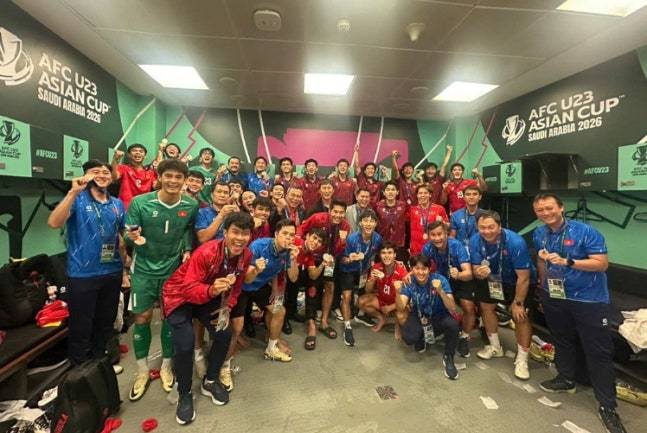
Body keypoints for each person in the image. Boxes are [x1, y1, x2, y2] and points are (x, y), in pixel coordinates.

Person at [532, 193, 627, 433]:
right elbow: (542, 262)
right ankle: (566, 379)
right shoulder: (539, 233)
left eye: (549, 208)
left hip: (589, 300)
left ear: (561, 208)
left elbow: (601, 263)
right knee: (562, 340)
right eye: (540, 210)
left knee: (598, 351)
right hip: (555, 296)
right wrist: (543, 289)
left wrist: (569, 262)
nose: (545, 213)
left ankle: (607, 406)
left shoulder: (586, 232)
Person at [161, 212, 255, 425]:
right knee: (185, 344)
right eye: (235, 232)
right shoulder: (206, 252)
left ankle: (210, 380)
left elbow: (237, 285)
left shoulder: (246, 255)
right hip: (179, 296)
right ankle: (185, 393)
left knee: (224, 333)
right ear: (225, 232)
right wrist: (212, 290)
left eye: (245, 234)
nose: (240, 238)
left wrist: (227, 307)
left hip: (208, 297)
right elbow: (189, 288)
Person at [124, 159, 199, 401]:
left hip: (171, 270)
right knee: (142, 317)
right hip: (143, 269)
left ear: (184, 181)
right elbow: (127, 232)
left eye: (178, 177)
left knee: (169, 317)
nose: (173, 181)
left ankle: (166, 366)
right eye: (169, 176)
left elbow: (187, 229)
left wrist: (187, 249)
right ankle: (142, 370)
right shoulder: (140, 202)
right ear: (159, 177)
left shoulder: (190, 204)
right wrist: (131, 235)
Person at [47, 160, 126, 367]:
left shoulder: (117, 204)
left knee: (105, 324)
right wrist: (73, 192)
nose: (102, 175)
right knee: (81, 325)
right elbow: (54, 222)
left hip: (112, 271)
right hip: (83, 274)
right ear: (86, 176)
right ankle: (80, 371)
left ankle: (99, 368)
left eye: (106, 172)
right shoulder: (77, 199)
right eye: (95, 171)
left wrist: (125, 270)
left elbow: (120, 236)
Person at [222, 220, 300, 389]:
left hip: (260, 286)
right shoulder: (258, 246)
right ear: (276, 234)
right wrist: (256, 269)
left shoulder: (288, 251)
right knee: (237, 326)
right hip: (242, 286)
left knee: (279, 310)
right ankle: (224, 366)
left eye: (292, 235)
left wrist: (276, 287)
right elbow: (246, 277)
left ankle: (271, 348)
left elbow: (292, 277)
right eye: (285, 233)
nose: (288, 238)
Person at [468, 210, 533, 380]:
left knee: (520, 316)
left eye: (491, 227)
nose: (486, 231)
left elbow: (524, 277)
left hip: (516, 281)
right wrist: (479, 272)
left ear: (499, 226)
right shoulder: (475, 240)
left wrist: (518, 302)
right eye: (482, 227)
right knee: (486, 307)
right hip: (493, 279)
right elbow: (475, 268)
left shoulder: (515, 242)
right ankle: (495, 347)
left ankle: (522, 359)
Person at [396, 255, 460, 380]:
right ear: (412, 269)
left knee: (453, 325)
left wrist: (441, 291)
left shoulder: (440, 280)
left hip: (439, 315)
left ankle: (449, 356)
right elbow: (401, 306)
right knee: (409, 338)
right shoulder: (409, 282)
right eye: (417, 268)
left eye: (424, 269)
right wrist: (398, 292)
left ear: (429, 269)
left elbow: (452, 308)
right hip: (419, 314)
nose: (421, 272)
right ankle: (421, 338)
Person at [297, 201, 350, 340]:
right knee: (313, 287)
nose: (338, 215)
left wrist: (342, 243)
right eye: (335, 211)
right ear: (330, 210)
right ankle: (311, 323)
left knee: (330, 286)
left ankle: (324, 321)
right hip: (314, 256)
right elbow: (301, 229)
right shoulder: (318, 218)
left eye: (341, 212)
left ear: (344, 214)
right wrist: (300, 244)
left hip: (330, 260)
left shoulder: (345, 226)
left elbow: (338, 250)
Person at [422, 221, 474, 358]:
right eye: (433, 235)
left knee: (468, 306)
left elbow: (469, 273)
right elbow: (420, 266)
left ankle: (465, 337)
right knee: (436, 300)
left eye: (439, 234)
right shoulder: (427, 248)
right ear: (429, 236)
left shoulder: (457, 246)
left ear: (446, 233)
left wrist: (459, 275)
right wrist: (408, 275)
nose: (437, 238)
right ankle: (443, 328)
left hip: (461, 279)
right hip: (444, 278)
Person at [338, 209, 382, 346]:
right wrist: (350, 259)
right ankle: (347, 326)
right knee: (347, 297)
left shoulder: (377, 238)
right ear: (360, 223)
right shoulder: (352, 239)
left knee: (365, 293)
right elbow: (342, 259)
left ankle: (360, 315)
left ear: (376, 223)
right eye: (365, 221)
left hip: (363, 270)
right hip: (348, 270)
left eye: (372, 221)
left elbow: (375, 255)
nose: (368, 224)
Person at [285, 228, 327, 348]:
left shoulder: (310, 254)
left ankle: (293, 313)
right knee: (289, 283)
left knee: (311, 281)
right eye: (314, 238)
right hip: (278, 272)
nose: (316, 242)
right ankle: (284, 319)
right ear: (307, 236)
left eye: (319, 241)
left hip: (292, 273)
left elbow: (313, 275)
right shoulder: (295, 242)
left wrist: (323, 264)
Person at [359, 242, 407, 339]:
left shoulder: (402, 271)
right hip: (381, 300)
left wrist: (390, 307)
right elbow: (367, 291)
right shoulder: (376, 268)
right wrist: (372, 280)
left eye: (390, 253)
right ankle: (381, 319)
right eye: (383, 253)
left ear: (395, 255)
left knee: (402, 314)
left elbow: (407, 299)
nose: (386, 256)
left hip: (396, 303)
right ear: (380, 255)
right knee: (361, 301)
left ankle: (397, 326)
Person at [111, 143, 157, 210]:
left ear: (145, 156)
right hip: (125, 208)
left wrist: (159, 171)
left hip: (143, 208)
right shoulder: (123, 168)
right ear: (129, 155)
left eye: (141, 151)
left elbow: (156, 186)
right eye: (134, 150)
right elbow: (114, 177)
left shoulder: (150, 172)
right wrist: (115, 160)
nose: (138, 152)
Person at [409, 184, 448, 256]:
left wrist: (442, 222)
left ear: (430, 195)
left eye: (425, 193)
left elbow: (448, 227)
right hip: (416, 248)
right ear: (417, 195)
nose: (423, 195)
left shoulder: (439, 209)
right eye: (420, 193)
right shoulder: (411, 210)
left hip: (434, 247)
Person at [375, 181, 408, 261]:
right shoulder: (378, 206)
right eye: (388, 189)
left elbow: (408, 223)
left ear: (397, 192)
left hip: (399, 245)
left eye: (393, 189)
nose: (390, 192)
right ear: (384, 192)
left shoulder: (403, 206)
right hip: (382, 244)